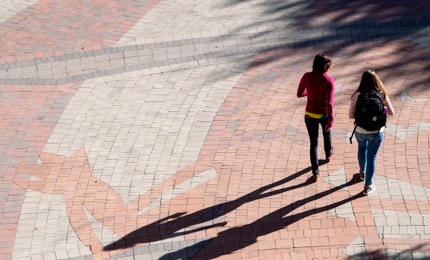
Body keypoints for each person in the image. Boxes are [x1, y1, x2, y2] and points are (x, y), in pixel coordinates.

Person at [348, 70, 395, 195]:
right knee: (372, 156)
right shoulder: (381, 94)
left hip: (360, 130)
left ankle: (362, 172)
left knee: (362, 148)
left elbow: (350, 115)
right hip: (377, 131)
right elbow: (391, 112)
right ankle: (368, 185)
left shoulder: (356, 95)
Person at [297, 54, 335, 182]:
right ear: (326, 67)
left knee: (314, 143)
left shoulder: (307, 76)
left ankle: (315, 172)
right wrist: (331, 120)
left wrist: (309, 91)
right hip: (324, 115)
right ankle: (328, 154)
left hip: (310, 115)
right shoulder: (329, 80)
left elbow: (299, 93)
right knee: (327, 134)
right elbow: (330, 103)